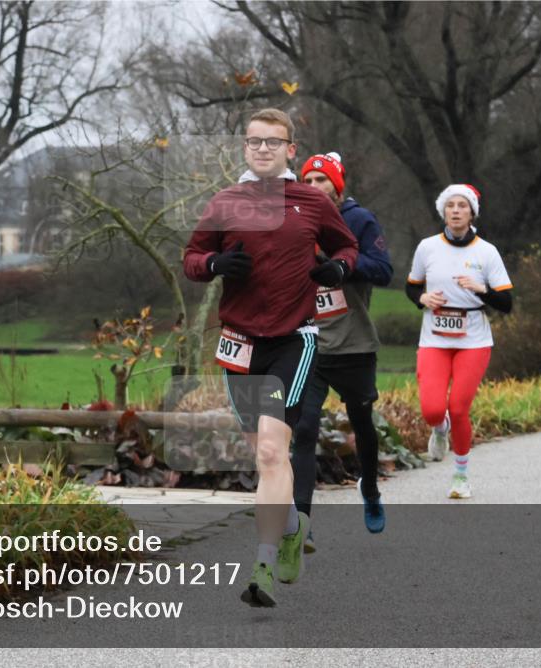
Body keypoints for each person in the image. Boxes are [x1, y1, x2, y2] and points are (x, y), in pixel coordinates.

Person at [183, 109, 359, 607]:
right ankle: (291, 527)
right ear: (244, 148)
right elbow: (192, 259)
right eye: (254, 141)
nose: (262, 149)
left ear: (290, 150)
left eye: (272, 142)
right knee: (258, 451)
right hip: (239, 340)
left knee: (269, 451)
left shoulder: (309, 201)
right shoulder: (225, 202)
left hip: (292, 338)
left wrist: (337, 271)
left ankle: (261, 562)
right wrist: (214, 263)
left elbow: (347, 247)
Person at [293, 151, 393, 550]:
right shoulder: (295, 220)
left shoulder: (358, 220)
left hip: (353, 343)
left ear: (338, 186)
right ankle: (302, 520)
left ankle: (369, 487)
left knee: (362, 423)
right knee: (303, 429)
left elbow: (383, 270)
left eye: (322, 181)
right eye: (309, 181)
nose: (314, 187)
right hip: (308, 342)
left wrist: (340, 265)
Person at [405, 184, 513, 499]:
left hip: (474, 339)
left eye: (461, 206)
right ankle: (440, 429)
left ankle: (461, 475)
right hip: (434, 338)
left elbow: (507, 303)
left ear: (471, 213)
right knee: (432, 410)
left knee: (460, 407)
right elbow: (411, 288)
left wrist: (482, 289)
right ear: (443, 211)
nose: (455, 210)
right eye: (450, 205)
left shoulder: (486, 251)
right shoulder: (427, 247)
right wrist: (422, 297)